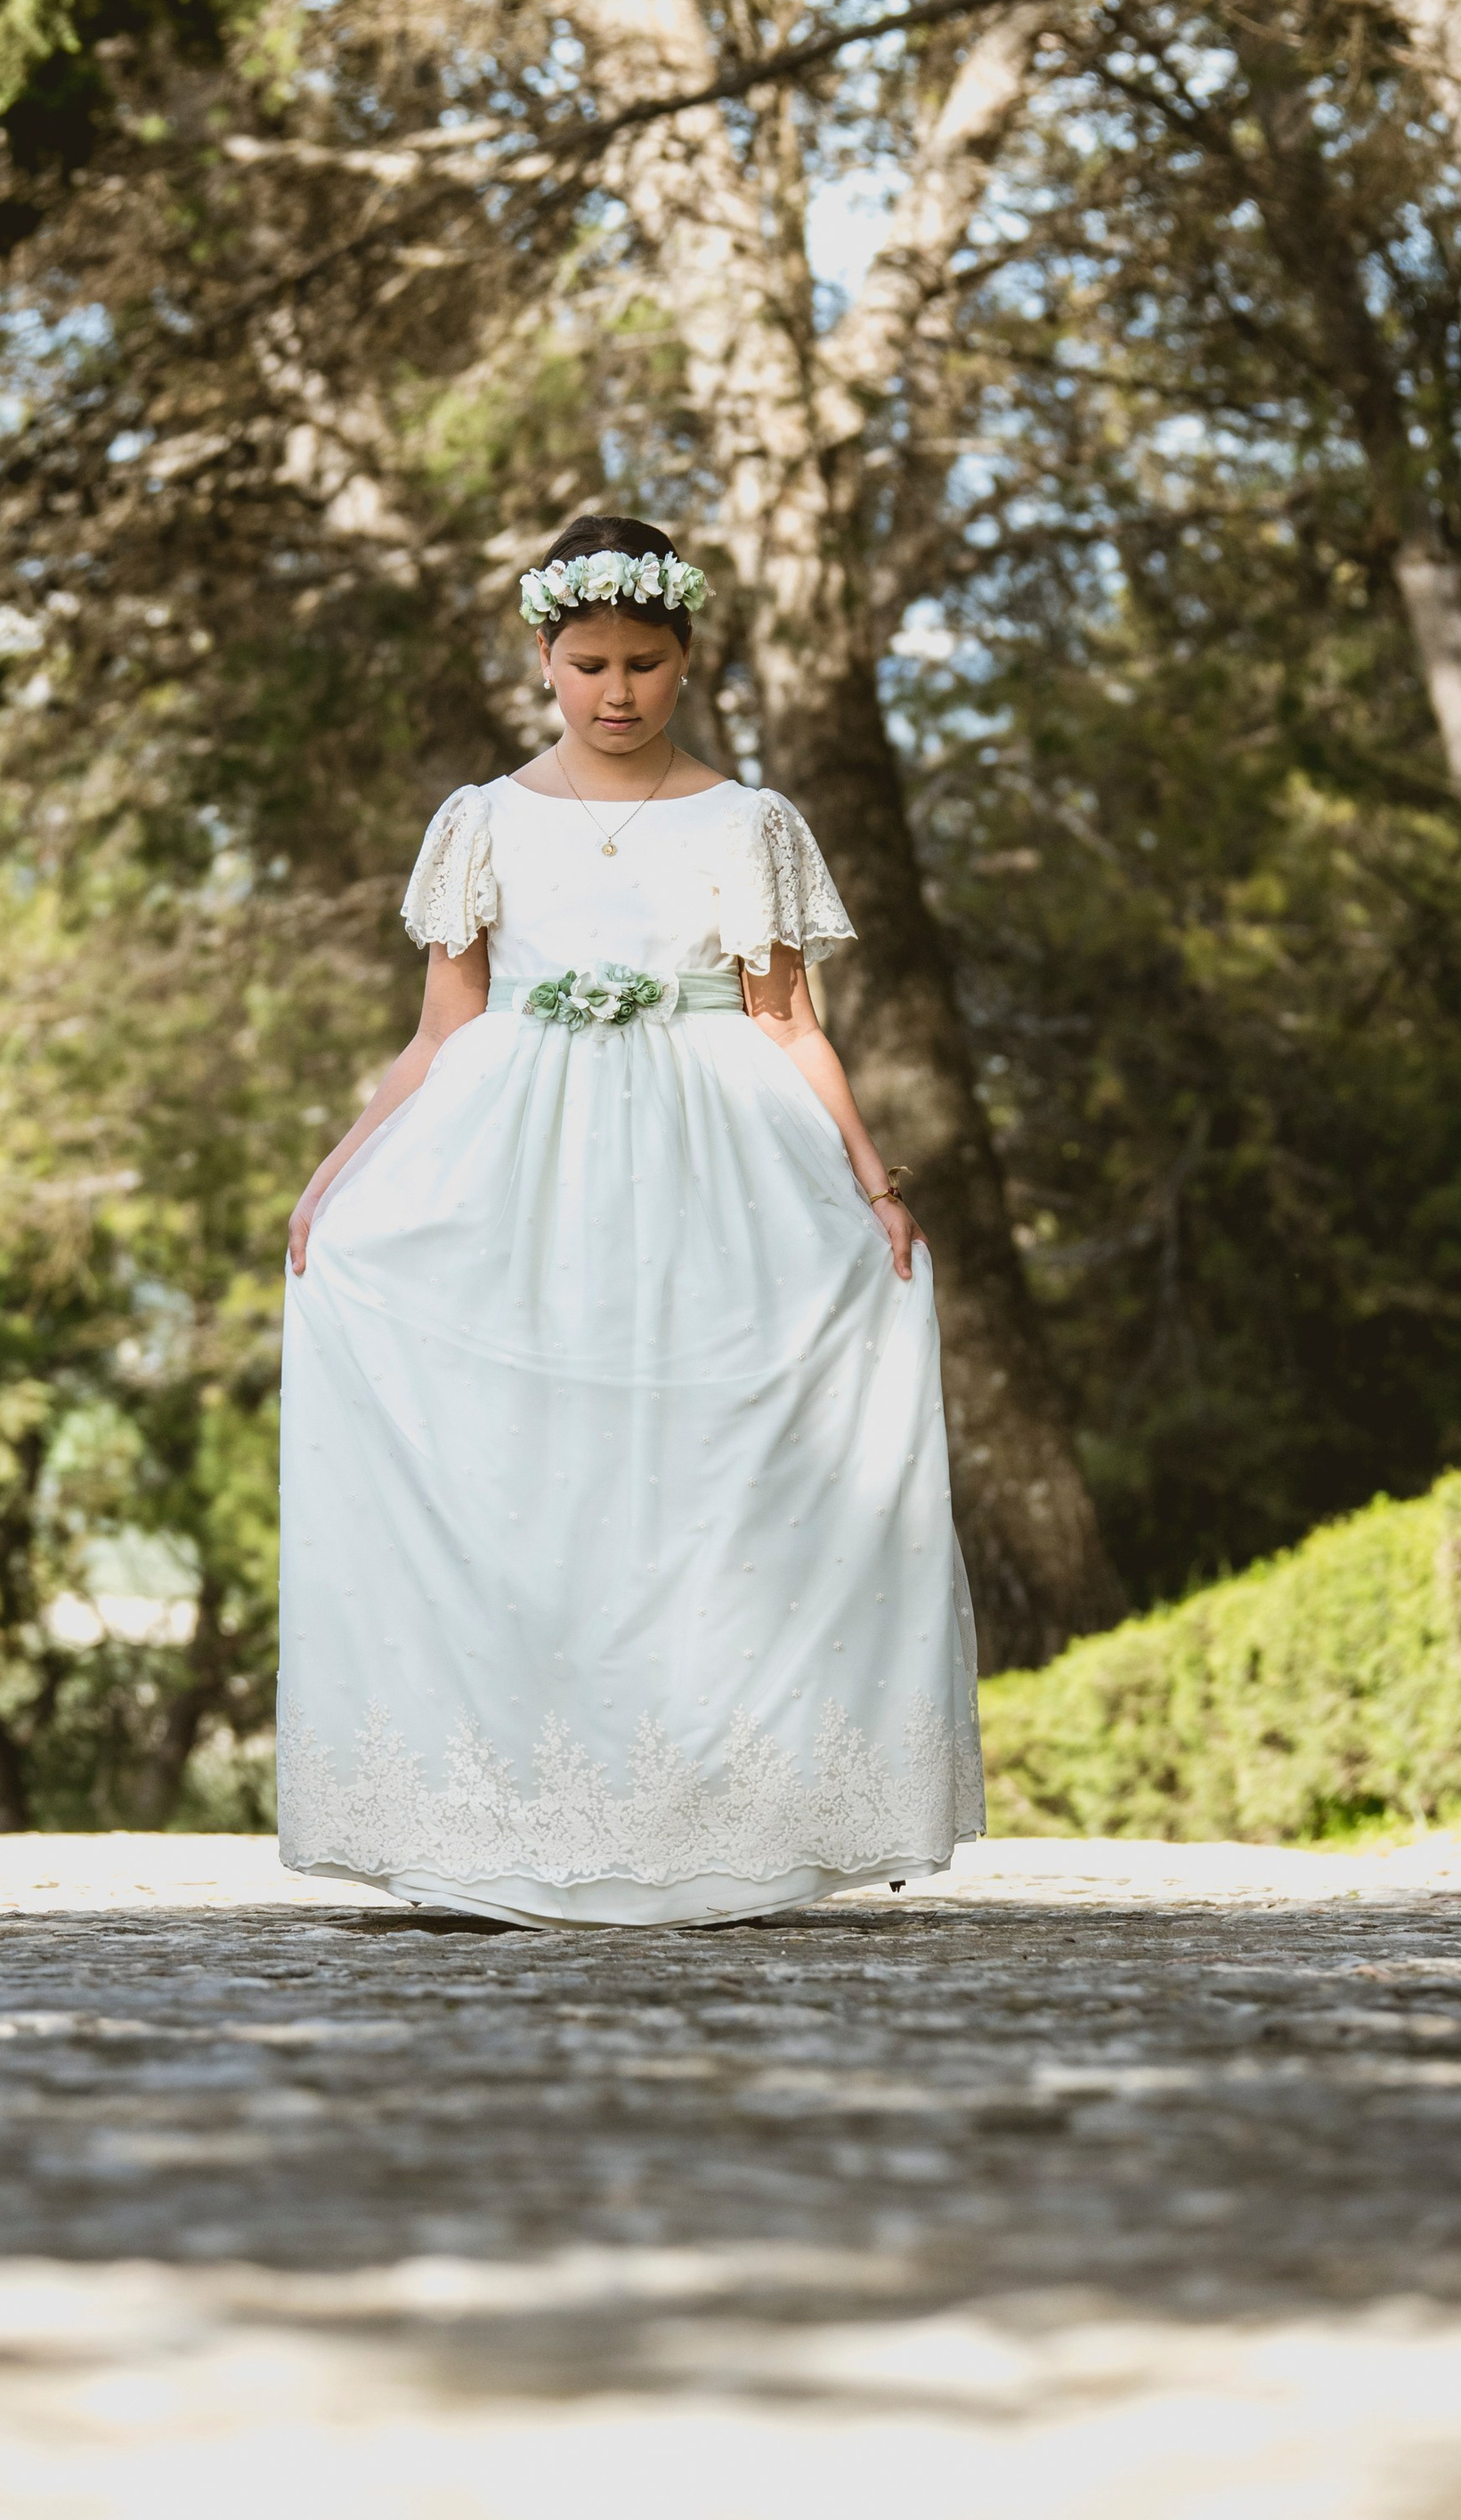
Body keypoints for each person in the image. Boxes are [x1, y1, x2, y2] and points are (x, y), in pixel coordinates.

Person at [277, 513, 984, 1926]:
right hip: (514, 1177)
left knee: (696, 1477)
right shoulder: (481, 820)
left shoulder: (748, 823)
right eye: (590, 661)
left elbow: (787, 1020)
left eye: (646, 664)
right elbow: (438, 1031)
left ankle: (732, 1815)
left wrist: (873, 1182)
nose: (617, 691)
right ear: (542, 653)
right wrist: (338, 1171)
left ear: (684, 659)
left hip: (715, 1171)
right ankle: (499, 1820)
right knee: (543, 1477)